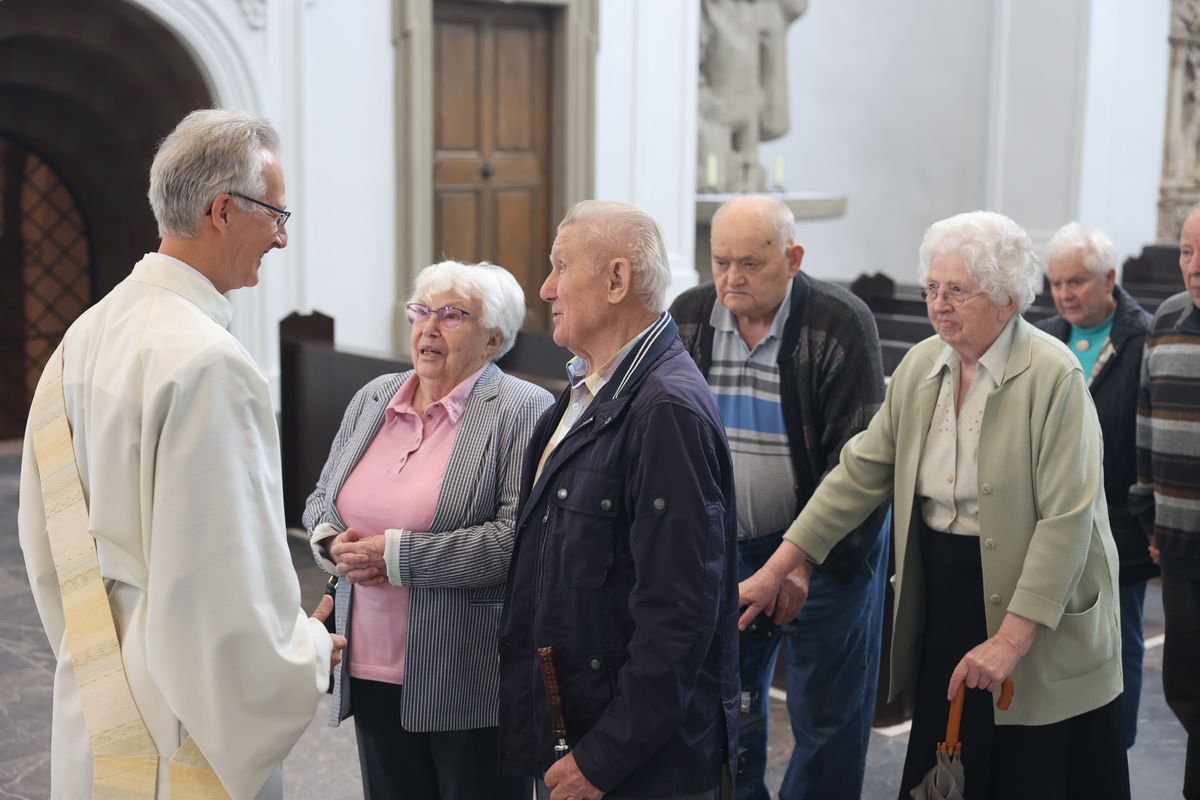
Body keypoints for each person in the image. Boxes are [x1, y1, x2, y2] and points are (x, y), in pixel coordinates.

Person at [740, 211, 1130, 799]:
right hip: (948, 593)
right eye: (932, 288)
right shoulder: (924, 365)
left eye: (957, 290)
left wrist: (1012, 640)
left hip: (1039, 607)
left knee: (1030, 768)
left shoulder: (1054, 374)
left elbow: (1067, 521)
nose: (939, 304)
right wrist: (778, 568)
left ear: (1005, 298)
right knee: (951, 758)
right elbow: (858, 472)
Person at [17, 108, 344, 799]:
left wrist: (97, 653)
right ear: (223, 210)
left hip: (98, 684)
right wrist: (305, 652)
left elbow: (47, 547)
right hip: (183, 713)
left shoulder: (83, 336)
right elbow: (223, 581)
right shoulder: (206, 363)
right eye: (277, 217)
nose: (283, 239)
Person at [496, 200, 739, 800]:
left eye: (559, 266)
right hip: (575, 727)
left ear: (616, 280)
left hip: (635, 766)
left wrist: (603, 760)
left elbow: (678, 616)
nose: (546, 287)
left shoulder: (665, 411)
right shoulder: (585, 392)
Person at [303, 260, 551, 799]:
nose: (429, 328)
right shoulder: (375, 397)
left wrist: (397, 557)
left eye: (452, 315)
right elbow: (321, 497)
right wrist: (329, 543)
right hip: (367, 660)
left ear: (495, 337)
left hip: (468, 673)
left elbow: (517, 542)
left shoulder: (522, 411)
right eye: (421, 311)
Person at [669, 194, 889, 800]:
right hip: (724, 550)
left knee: (827, 717)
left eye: (750, 264)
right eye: (719, 262)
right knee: (727, 710)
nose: (731, 279)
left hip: (828, 553)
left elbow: (862, 463)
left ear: (792, 257)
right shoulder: (688, 315)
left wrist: (798, 559)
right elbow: (670, 443)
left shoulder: (840, 322)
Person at [1035, 222, 1154, 749]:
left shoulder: (1144, 340)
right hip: (1049, 520)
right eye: (1056, 283)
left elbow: (1147, 440)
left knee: (1118, 642)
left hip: (1118, 525)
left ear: (1110, 278)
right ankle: (1064, 745)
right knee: (1051, 639)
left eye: (1076, 282)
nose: (1064, 295)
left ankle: (1112, 748)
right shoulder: (1042, 337)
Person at [1130, 205, 1200, 800]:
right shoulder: (1169, 318)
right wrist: (1147, 510)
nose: (1194, 267)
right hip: (1177, 537)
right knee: (1184, 680)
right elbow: (1148, 419)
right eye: (1186, 252)